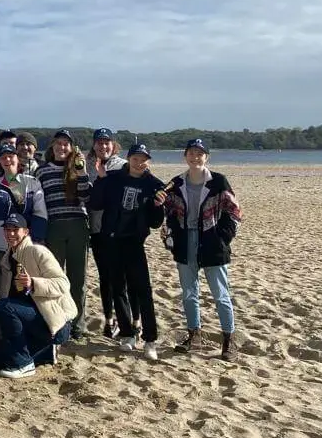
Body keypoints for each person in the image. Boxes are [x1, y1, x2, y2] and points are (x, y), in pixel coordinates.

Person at [160, 139, 243, 361]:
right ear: (185, 156)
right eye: (191, 154)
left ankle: (229, 342)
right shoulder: (176, 183)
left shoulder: (218, 181)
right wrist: (170, 233)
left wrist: (223, 237)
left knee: (221, 294)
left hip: (212, 242)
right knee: (189, 294)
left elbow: (234, 211)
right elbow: (166, 211)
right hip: (185, 242)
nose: (195, 158)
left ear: (206, 157)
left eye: (200, 154)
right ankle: (194, 336)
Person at [88, 143, 166, 360]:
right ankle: (127, 334)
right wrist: (101, 179)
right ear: (128, 159)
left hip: (135, 242)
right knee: (117, 288)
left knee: (143, 290)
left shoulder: (153, 184)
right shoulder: (113, 178)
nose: (139, 163)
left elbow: (156, 223)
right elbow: (96, 203)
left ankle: (150, 339)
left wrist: (158, 206)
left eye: (144, 159)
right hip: (111, 240)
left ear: (149, 161)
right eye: (135, 159)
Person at [0, 214, 77, 379]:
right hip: (31, 323)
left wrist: (33, 284)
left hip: (54, 323)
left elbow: (63, 284)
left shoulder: (37, 251)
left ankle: (24, 364)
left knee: (6, 306)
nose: (11, 234)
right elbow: (6, 297)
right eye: (7, 230)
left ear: (26, 232)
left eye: (15, 229)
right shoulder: (7, 261)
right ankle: (46, 352)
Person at [36, 129, 92, 339]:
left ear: (72, 148)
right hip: (55, 227)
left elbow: (87, 197)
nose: (61, 147)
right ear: (52, 146)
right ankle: (57, 321)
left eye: (66, 144)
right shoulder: (42, 171)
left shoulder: (77, 168)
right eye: (58, 143)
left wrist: (82, 173)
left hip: (78, 225)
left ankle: (78, 324)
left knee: (78, 279)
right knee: (54, 277)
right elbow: (38, 203)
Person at [0, 144, 48, 287]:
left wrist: (37, 239)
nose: (7, 160)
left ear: (17, 158)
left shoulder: (31, 183)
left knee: (25, 286)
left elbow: (40, 213)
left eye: (10, 156)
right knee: (3, 288)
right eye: (3, 157)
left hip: (25, 245)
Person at [85, 127, 132, 338]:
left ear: (113, 145)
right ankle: (109, 320)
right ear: (94, 145)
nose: (103, 146)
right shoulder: (86, 165)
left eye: (107, 142)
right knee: (105, 277)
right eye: (99, 142)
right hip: (95, 229)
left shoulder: (123, 166)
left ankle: (128, 322)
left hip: (118, 231)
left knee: (119, 279)